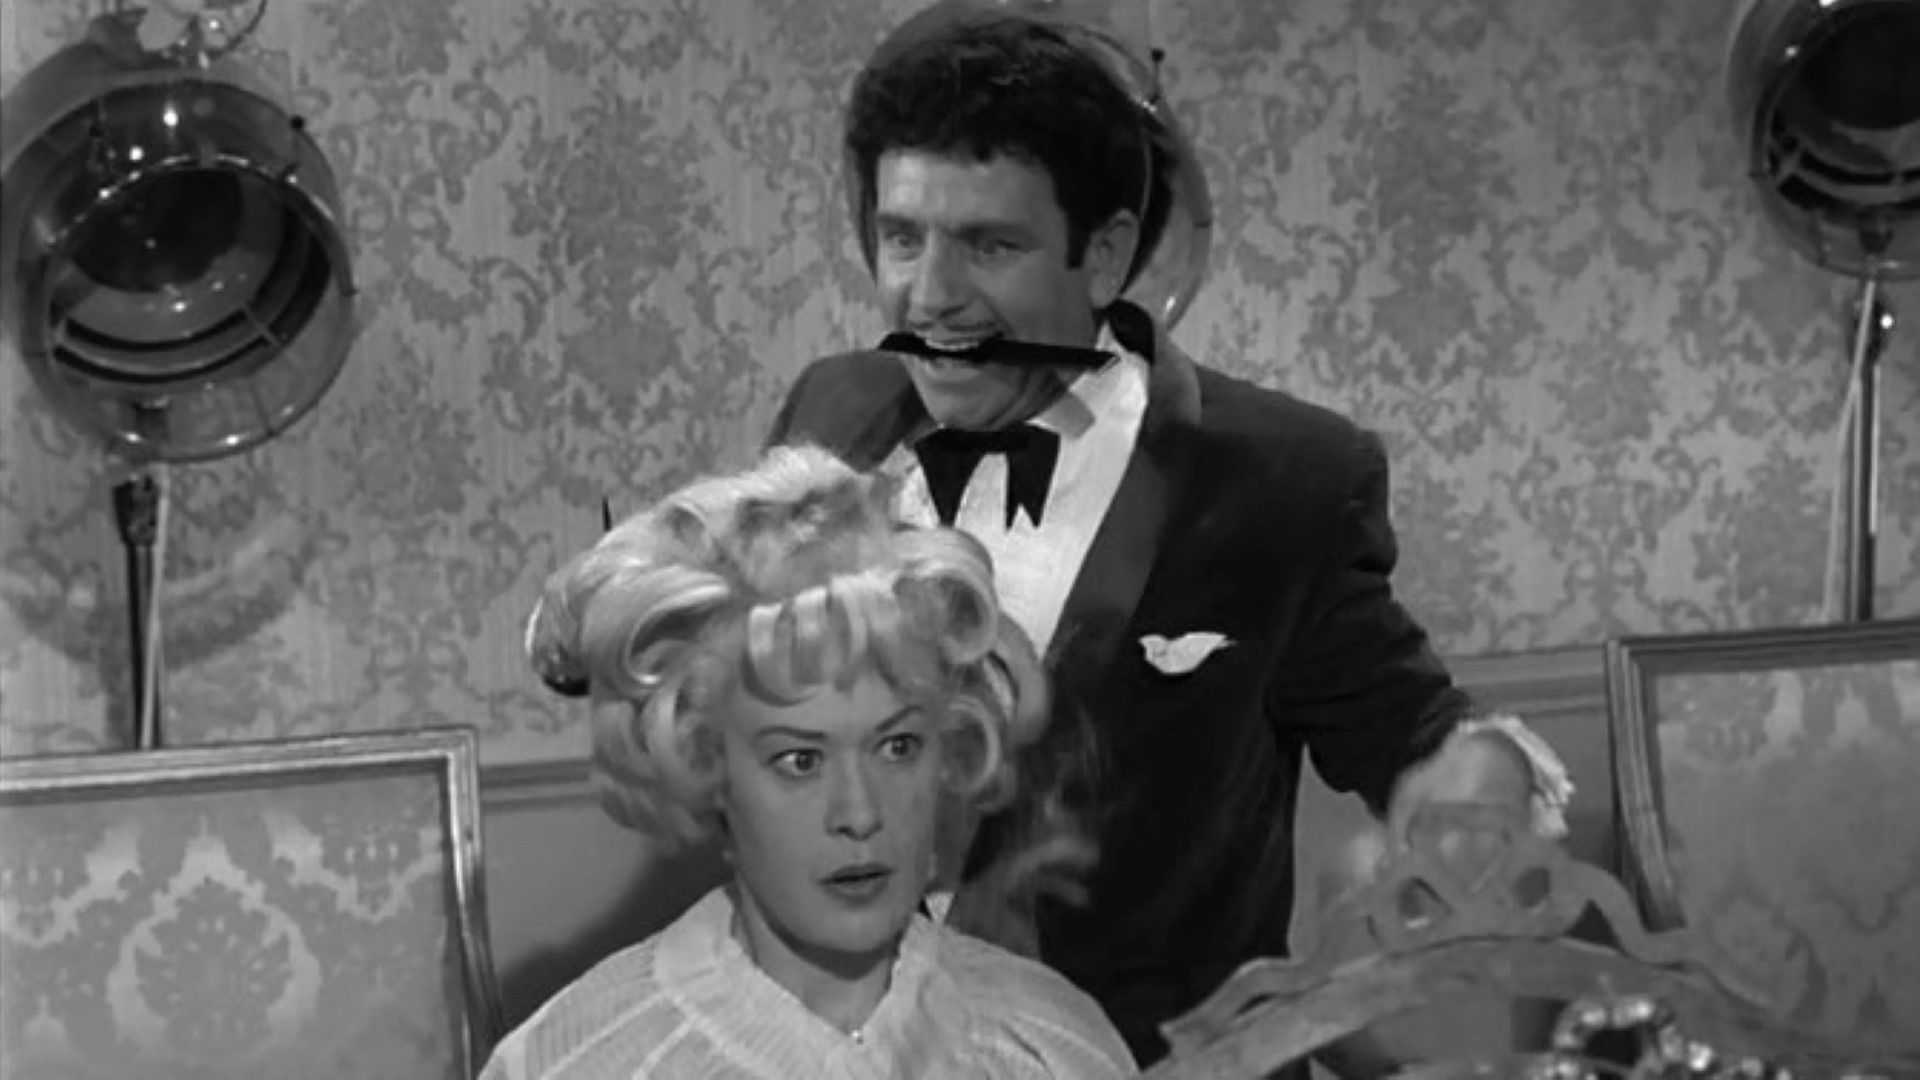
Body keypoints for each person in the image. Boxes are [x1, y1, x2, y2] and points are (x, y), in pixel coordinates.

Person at [766, 1, 1571, 1068]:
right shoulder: (833, 406)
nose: (931, 295)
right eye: (901, 238)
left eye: (990, 245)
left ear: (1103, 256)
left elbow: (1423, 736)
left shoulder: (1283, 481)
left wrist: (1482, 777)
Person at [488, 445, 1137, 1079]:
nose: (859, 813)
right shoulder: (581, 1062)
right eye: (800, 760)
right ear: (707, 764)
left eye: (897, 747)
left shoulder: (1053, 1046)